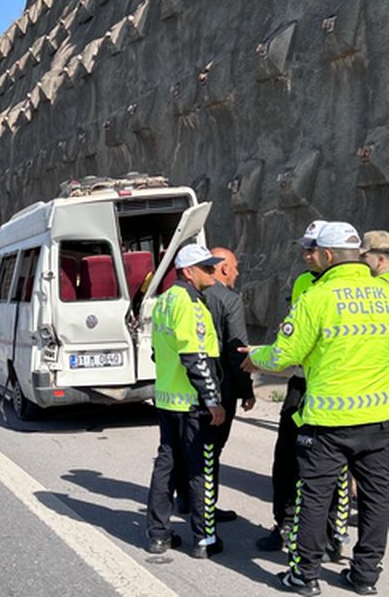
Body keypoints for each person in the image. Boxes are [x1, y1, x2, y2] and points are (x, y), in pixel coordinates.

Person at [242, 222, 389, 596]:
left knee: (314, 497)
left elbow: (284, 355)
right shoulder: (384, 294)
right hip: (378, 419)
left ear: (326, 255)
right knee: (376, 499)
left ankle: (304, 576)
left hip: (327, 422)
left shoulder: (318, 297)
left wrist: (254, 358)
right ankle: (366, 576)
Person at [256, 221, 350, 560]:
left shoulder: (348, 285)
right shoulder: (302, 283)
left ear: (328, 253)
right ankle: (283, 522)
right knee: (286, 457)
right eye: (303, 249)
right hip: (300, 380)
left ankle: (333, 534)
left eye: (311, 249)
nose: (305, 255)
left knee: (332, 466)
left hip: (333, 384)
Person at [146, 244, 227, 559]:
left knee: (165, 467)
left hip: (167, 400)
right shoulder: (189, 305)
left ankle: (157, 535)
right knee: (200, 472)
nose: (213, 272)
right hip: (193, 405)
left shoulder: (163, 301)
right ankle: (204, 541)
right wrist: (213, 400)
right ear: (188, 272)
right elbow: (195, 357)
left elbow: (157, 352)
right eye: (206, 268)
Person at [201, 248, 255, 522]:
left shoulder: (190, 295)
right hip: (221, 389)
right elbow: (237, 351)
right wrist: (247, 390)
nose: (236, 272)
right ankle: (206, 508)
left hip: (190, 386)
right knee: (212, 450)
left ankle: (188, 501)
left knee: (190, 448)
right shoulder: (229, 300)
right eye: (234, 267)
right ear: (223, 268)